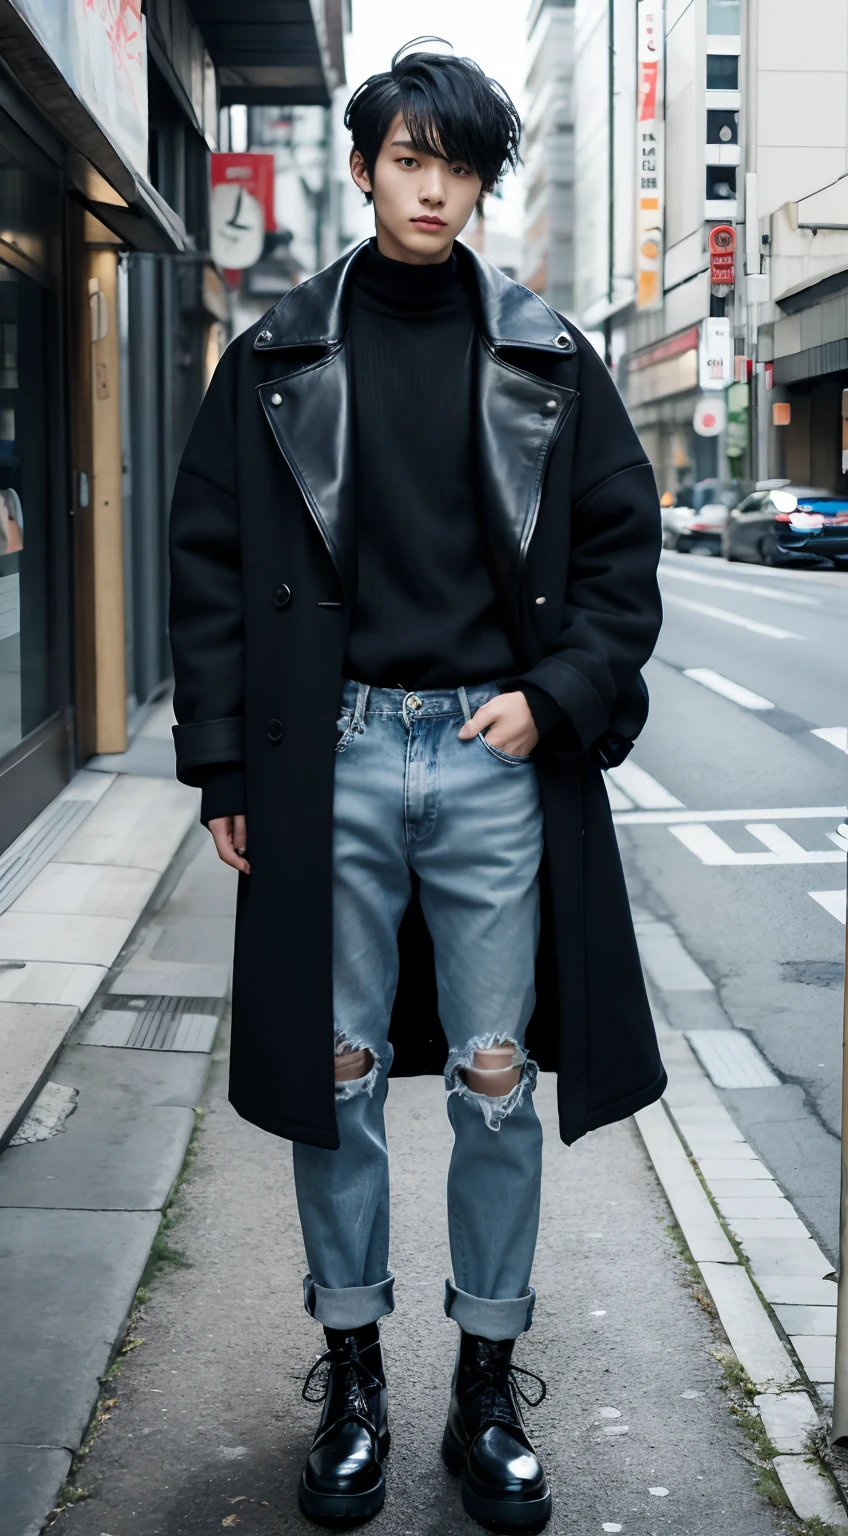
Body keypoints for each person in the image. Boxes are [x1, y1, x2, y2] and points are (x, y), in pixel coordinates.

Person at [169, 40, 666, 1532]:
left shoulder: (547, 356)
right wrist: (221, 761)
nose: (432, 184)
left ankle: (486, 1386)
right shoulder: (271, 356)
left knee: (495, 1082)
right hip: (329, 757)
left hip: (489, 753)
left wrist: (554, 700)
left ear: (482, 181)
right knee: (337, 1083)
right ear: (372, 158)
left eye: (459, 163)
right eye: (407, 157)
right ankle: (355, 1372)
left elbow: (621, 568)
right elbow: (204, 567)